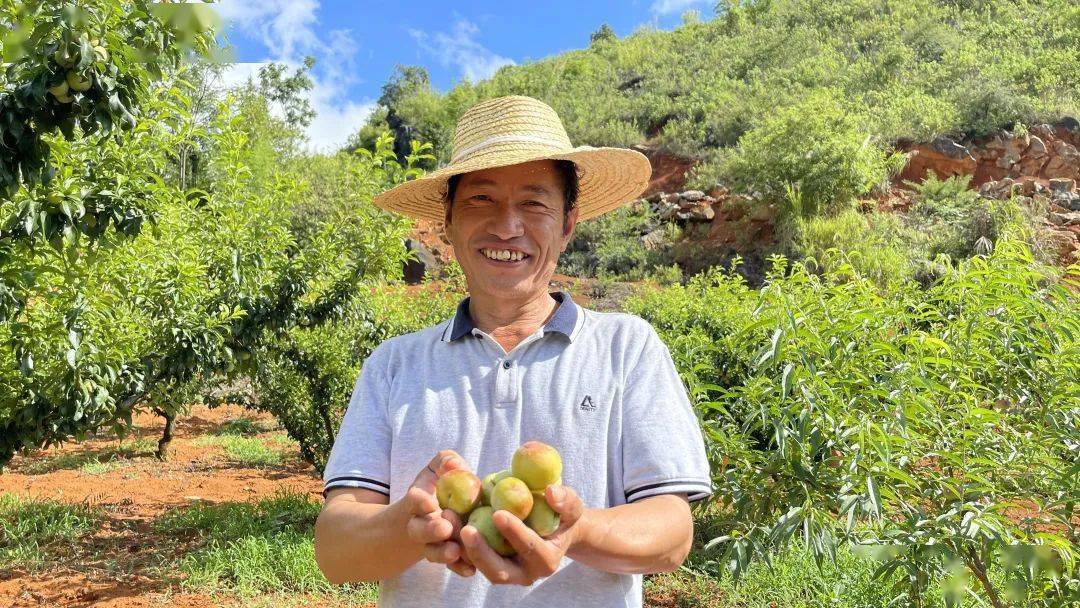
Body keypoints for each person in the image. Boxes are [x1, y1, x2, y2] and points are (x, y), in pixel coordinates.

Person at [314, 95, 712, 607]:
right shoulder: (394, 366)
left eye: (534, 202)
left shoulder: (626, 349)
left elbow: (671, 533)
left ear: (567, 224)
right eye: (481, 200)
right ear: (448, 223)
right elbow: (336, 550)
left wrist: (577, 530)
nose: (507, 226)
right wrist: (408, 527)